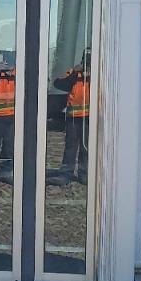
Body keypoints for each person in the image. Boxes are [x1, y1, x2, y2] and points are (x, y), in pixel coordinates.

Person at [48, 50, 90, 185]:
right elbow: (59, 84)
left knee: (87, 146)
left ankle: (85, 173)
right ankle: (66, 174)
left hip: (90, 117)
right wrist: (74, 74)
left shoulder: (100, 73)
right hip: (73, 116)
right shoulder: (74, 73)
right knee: (70, 146)